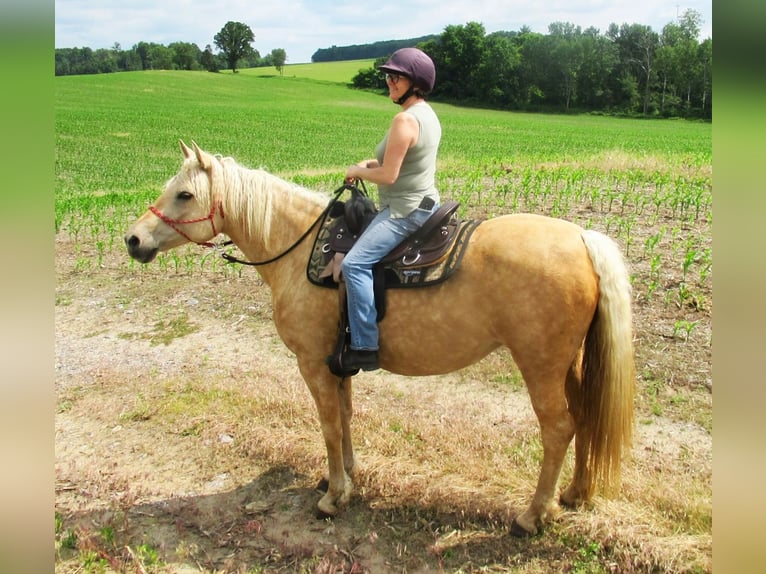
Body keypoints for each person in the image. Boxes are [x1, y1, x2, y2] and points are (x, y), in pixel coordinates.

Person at [340, 47, 442, 372]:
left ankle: (365, 346)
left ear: (414, 82)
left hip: (405, 208)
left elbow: (389, 175)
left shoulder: (404, 119)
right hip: (425, 199)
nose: (389, 81)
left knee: (354, 264)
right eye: (388, 75)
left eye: (396, 76)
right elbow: (396, 161)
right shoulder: (427, 114)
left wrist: (357, 172)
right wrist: (367, 163)